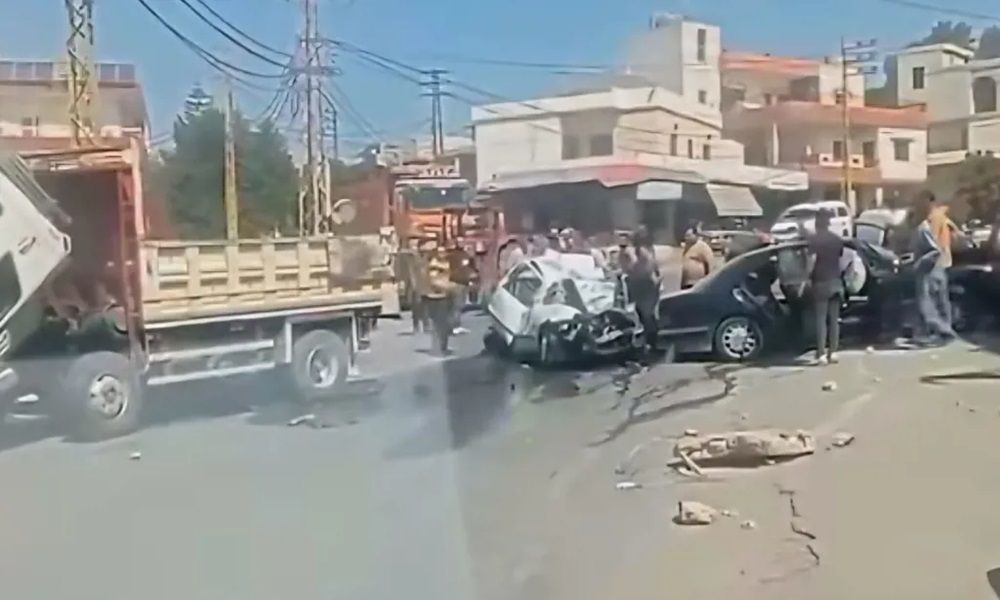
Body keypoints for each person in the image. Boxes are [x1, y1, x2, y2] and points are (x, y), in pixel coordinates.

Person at [913, 194, 957, 344]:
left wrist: (919, 263)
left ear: (929, 202)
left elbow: (933, 249)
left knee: (929, 301)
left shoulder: (929, 221)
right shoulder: (940, 218)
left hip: (932, 266)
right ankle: (943, 332)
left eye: (920, 202)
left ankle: (943, 332)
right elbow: (955, 234)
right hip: (941, 264)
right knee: (939, 301)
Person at [806, 209, 845, 365]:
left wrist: (806, 277)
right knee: (834, 319)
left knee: (821, 319)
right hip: (836, 281)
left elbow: (811, 261)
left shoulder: (814, 240)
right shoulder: (837, 239)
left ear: (817, 222)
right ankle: (833, 352)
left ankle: (821, 353)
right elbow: (841, 259)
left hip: (821, 282)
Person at [627, 229, 661, 352]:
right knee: (647, 315)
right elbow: (654, 268)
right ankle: (652, 342)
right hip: (647, 286)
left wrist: (631, 270)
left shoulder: (641, 251)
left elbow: (645, 268)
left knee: (646, 316)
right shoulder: (649, 250)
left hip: (644, 286)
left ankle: (651, 343)